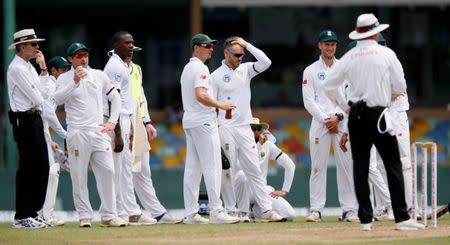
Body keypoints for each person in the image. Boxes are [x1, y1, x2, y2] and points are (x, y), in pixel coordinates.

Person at [323, 13, 425, 231]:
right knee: (393, 164)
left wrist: (345, 106)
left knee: (360, 167)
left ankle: (366, 220)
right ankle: (401, 217)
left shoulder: (350, 57)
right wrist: (386, 95)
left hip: (356, 115)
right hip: (379, 113)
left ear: (359, 33)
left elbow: (329, 85)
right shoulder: (386, 53)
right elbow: (400, 86)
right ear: (376, 32)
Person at [211, 36, 285, 222]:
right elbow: (212, 107)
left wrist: (247, 45)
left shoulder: (245, 70)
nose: (240, 58)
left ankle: (267, 210)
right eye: (236, 54)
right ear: (226, 53)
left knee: (254, 169)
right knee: (229, 170)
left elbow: (266, 62)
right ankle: (231, 209)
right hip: (225, 127)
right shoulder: (215, 76)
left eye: (242, 54)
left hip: (245, 127)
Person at [106, 44, 182, 224]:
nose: (131, 56)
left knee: (142, 169)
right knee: (124, 168)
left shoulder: (137, 69)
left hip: (137, 119)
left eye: (134, 52)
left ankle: (157, 212)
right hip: (123, 118)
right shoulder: (113, 68)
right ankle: (126, 210)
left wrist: (146, 121)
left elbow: (140, 96)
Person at [54, 42, 126, 228]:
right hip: (77, 133)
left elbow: (115, 97)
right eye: (78, 56)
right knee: (78, 176)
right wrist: (74, 82)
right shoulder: (64, 78)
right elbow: (58, 100)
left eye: (85, 54)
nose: (83, 58)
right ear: (70, 59)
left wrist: (112, 121)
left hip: (98, 131)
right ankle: (85, 216)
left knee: (109, 171)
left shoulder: (99, 75)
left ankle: (109, 215)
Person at [180, 33, 240, 224]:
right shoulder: (201, 68)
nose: (211, 48)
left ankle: (191, 213)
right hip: (204, 121)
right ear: (196, 47)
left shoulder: (188, 68)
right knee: (213, 166)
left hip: (190, 120)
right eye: (207, 46)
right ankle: (216, 211)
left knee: (193, 168)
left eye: (212, 45)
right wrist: (221, 105)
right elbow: (201, 95)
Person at [301, 30, 358, 222]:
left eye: (333, 44)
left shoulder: (345, 68)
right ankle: (316, 210)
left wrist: (338, 117)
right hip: (319, 123)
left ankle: (349, 210)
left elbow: (351, 99)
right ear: (319, 45)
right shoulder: (310, 70)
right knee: (317, 167)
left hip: (342, 124)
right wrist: (327, 119)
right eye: (326, 44)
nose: (330, 47)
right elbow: (308, 101)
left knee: (346, 167)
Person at [103, 31, 157, 225]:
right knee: (117, 168)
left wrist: (136, 124)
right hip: (117, 120)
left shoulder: (125, 66)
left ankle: (130, 210)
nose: (131, 46)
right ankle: (118, 212)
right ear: (116, 45)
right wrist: (117, 133)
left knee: (125, 167)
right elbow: (112, 101)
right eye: (127, 43)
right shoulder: (115, 67)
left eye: (133, 43)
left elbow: (129, 99)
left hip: (126, 117)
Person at [7, 29, 51, 228]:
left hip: (34, 117)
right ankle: (22, 215)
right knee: (28, 167)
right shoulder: (16, 68)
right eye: (33, 44)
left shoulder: (29, 67)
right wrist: (45, 99)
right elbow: (38, 97)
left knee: (42, 166)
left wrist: (43, 70)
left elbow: (44, 92)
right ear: (22, 46)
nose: (37, 47)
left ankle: (33, 213)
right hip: (24, 119)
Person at [233, 118, 296, 221]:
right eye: (253, 128)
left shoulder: (267, 145)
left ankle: (254, 209)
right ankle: (244, 212)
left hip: (261, 190)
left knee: (289, 215)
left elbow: (290, 165)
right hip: (244, 192)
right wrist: (258, 146)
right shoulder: (237, 145)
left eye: (259, 128)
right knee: (241, 176)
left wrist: (285, 190)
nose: (256, 132)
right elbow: (243, 167)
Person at [38, 56, 71, 226]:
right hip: (38, 132)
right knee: (53, 171)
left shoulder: (52, 85)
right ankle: (46, 216)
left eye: (67, 69)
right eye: (63, 70)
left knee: (50, 172)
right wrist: (65, 135)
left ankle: (42, 214)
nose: (66, 73)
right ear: (54, 71)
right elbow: (47, 114)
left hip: (40, 132)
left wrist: (49, 140)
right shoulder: (51, 86)